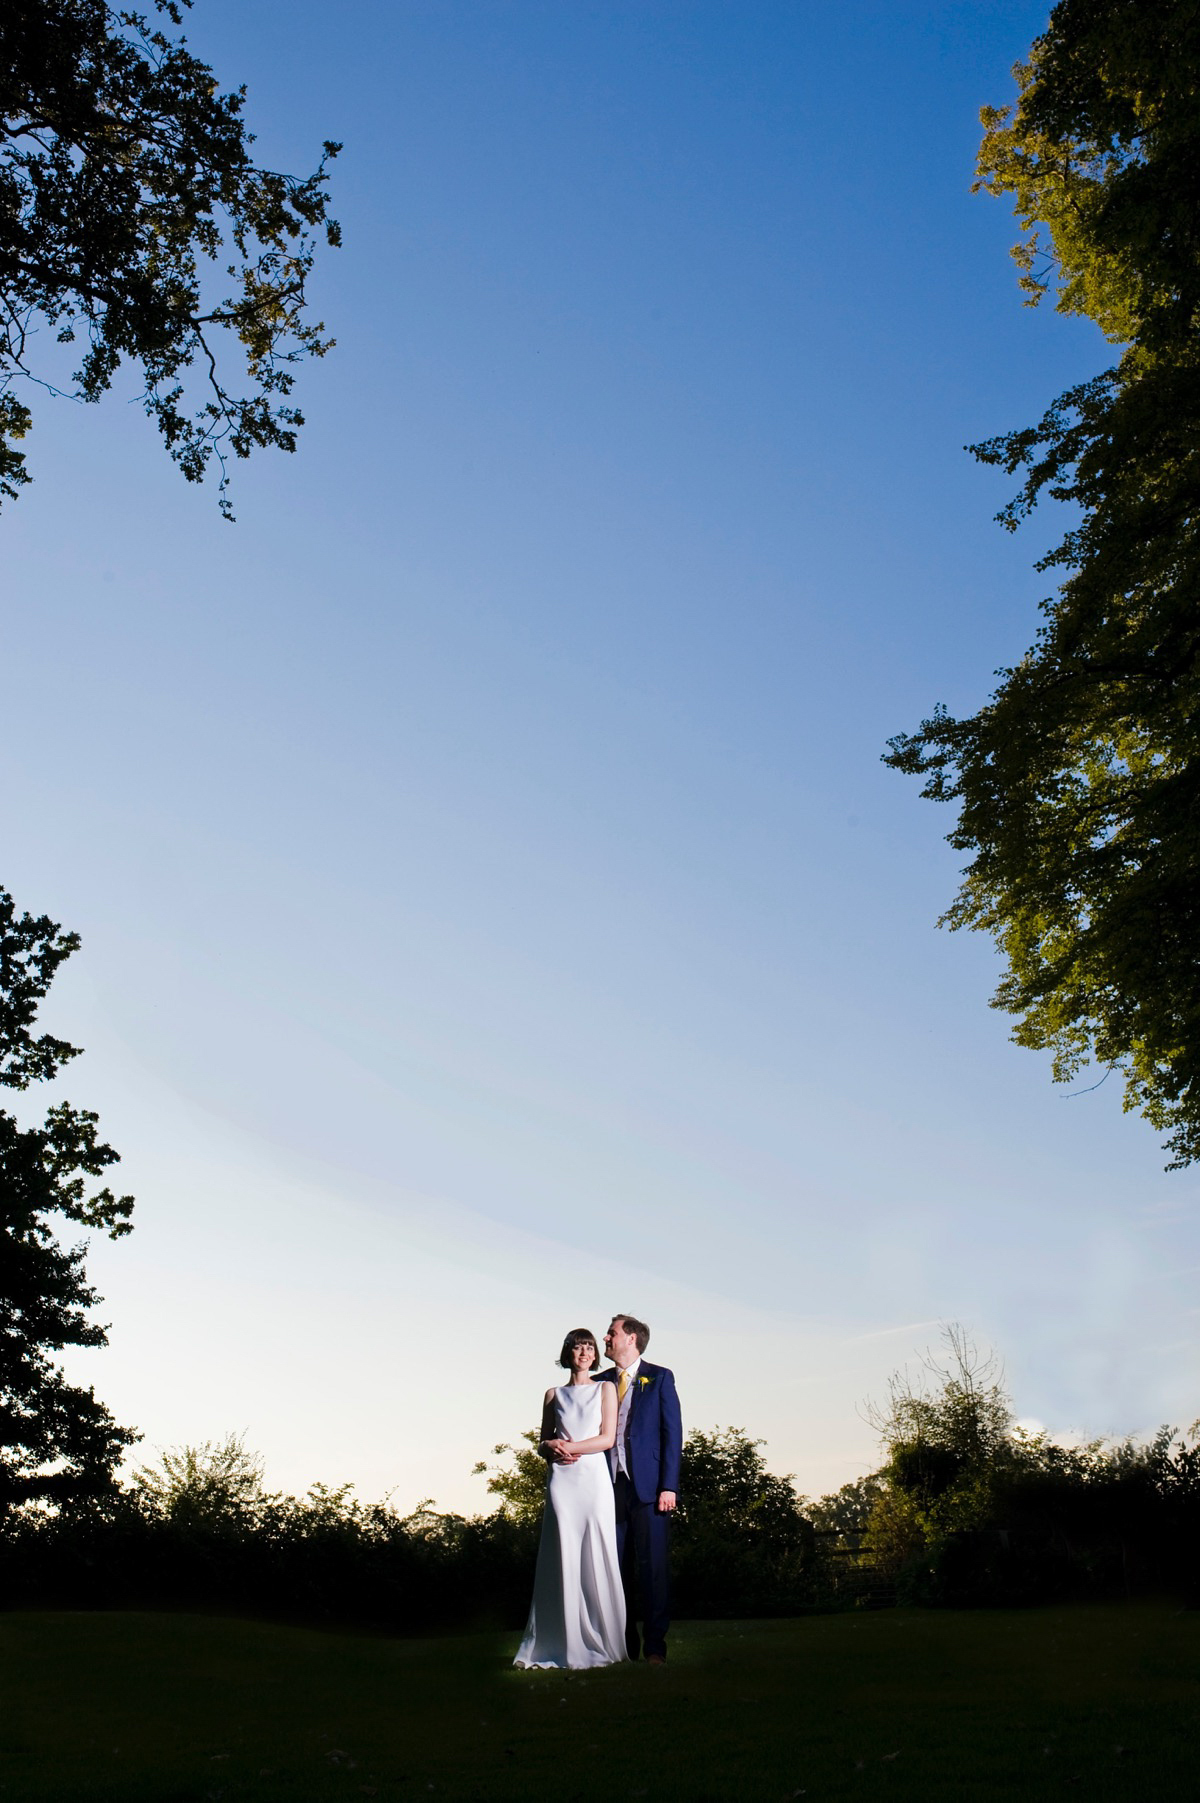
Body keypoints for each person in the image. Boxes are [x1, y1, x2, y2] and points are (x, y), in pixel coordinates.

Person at [513, 1328, 628, 1670]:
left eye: (589, 1348)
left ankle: (605, 1640)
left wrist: (569, 1447)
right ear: (568, 1354)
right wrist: (550, 1447)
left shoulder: (605, 1389)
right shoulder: (553, 1394)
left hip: (592, 1478)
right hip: (562, 1481)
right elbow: (542, 1442)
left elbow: (607, 1438)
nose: (584, 1353)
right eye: (578, 1348)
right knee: (561, 1553)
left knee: (597, 1551)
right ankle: (559, 1639)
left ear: (595, 1355)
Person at [596, 1314, 683, 1665]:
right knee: (614, 1570)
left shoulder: (660, 1377)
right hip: (606, 1488)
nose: (605, 1337)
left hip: (649, 1491)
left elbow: (672, 1434)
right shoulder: (599, 1382)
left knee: (653, 1569)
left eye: (612, 1332)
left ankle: (654, 1648)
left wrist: (668, 1486)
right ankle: (623, 1647)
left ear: (631, 1338)